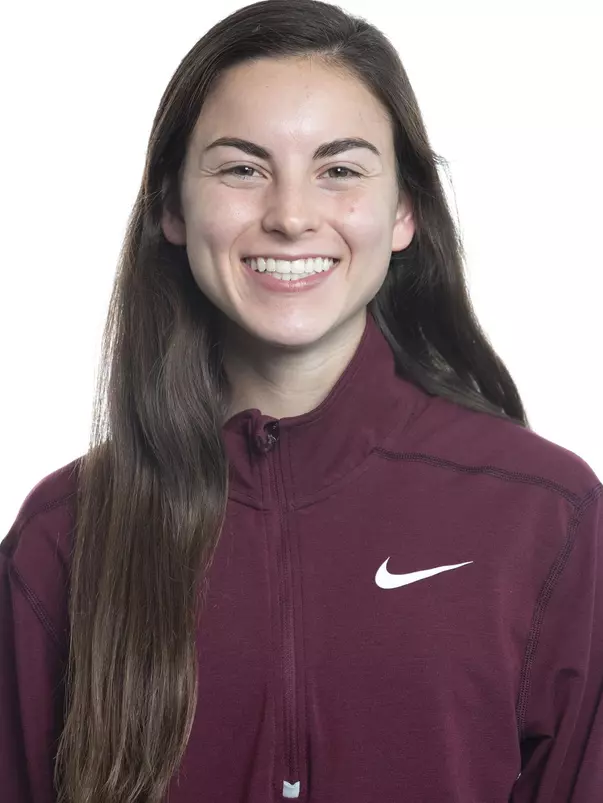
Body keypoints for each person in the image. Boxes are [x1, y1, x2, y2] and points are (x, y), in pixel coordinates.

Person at [1, 0, 601, 800]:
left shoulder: (546, 515)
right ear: (173, 208)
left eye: (340, 170)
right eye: (242, 168)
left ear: (403, 212)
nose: (289, 216)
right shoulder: (64, 534)